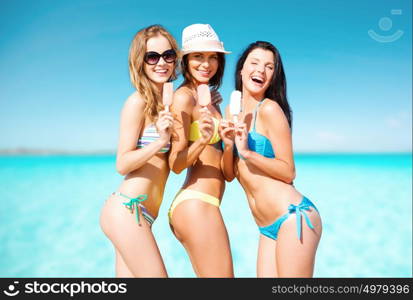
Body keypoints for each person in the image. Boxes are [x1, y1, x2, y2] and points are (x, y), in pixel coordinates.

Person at [220, 41, 322, 277]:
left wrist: (247, 152)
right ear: (241, 70)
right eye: (254, 63)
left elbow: (288, 172)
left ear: (274, 75)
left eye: (269, 67)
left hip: (293, 216)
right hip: (266, 228)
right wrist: (227, 145)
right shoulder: (230, 112)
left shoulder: (270, 110)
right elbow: (229, 174)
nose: (261, 70)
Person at [100, 25, 178, 277]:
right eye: (152, 57)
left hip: (142, 215)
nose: (161, 63)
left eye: (168, 55)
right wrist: (159, 142)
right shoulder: (138, 102)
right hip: (128, 209)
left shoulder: (167, 103)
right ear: (140, 62)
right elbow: (122, 164)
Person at [167, 24, 234, 277]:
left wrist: (228, 143)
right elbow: (175, 163)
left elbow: (227, 174)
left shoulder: (211, 101)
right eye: (198, 56)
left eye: (212, 57)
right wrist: (203, 140)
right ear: (186, 60)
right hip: (196, 203)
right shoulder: (183, 97)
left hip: (208, 203)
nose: (206, 64)